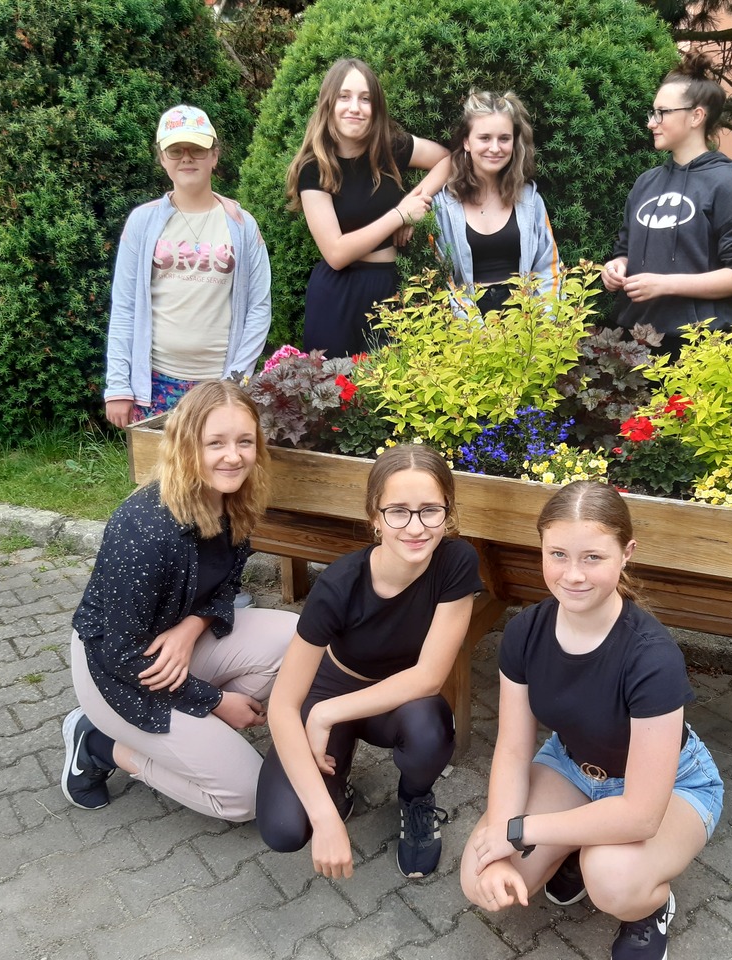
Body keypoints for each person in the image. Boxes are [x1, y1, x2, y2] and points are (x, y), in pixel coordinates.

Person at [460, 481, 723, 960]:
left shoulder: (651, 657)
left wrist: (519, 831)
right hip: (572, 766)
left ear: (626, 554)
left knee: (612, 879)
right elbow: (514, 748)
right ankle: (576, 847)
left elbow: (641, 815)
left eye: (593, 558)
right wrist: (499, 836)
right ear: (541, 549)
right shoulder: (524, 632)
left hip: (671, 787)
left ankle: (649, 908)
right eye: (558, 554)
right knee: (479, 879)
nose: (573, 575)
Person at [62, 381, 296, 820]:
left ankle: (197, 736)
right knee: (247, 800)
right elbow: (119, 653)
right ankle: (99, 743)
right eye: (216, 443)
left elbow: (227, 585)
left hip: (176, 645)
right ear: (187, 446)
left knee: (297, 641)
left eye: (245, 442)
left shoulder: (235, 500)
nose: (234, 456)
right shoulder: (145, 528)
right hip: (116, 671)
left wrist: (192, 628)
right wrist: (214, 701)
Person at [256, 444, 485, 879]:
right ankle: (337, 786)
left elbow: (428, 677)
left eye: (429, 510)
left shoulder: (456, 563)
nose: (415, 527)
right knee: (285, 828)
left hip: (398, 700)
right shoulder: (339, 584)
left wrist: (325, 715)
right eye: (398, 511)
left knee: (430, 728)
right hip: (334, 683)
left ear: (448, 513)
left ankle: (415, 798)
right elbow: (283, 705)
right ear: (374, 517)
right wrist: (325, 817)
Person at [104, 105, 272, 428]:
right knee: (158, 464)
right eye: (175, 150)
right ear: (162, 158)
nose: (186, 158)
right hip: (155, 385)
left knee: (219, 460)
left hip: (219, 384)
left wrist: (236, 380)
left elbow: (259, 308)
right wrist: (119, 386)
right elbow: (125, 307)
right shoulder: (142, 223)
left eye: (197, 149)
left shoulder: (242, 225)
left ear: (214, 156)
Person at [603, 51, 732, 362]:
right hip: (634, 339)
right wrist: (615, 268)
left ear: (696, 116)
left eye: (662, 112)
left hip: (696, 347)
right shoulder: (645, 183)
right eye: (653, 112)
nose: (651, 122)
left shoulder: (727, 184)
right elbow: (623, 250)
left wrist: (664, 284)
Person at [286, 59, 450, 357]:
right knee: (331, 385)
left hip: (389, 290)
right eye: (344, 97)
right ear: (329, 104)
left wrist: (415, 202)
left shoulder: (392, 148)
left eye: (365, 99)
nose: (355, 107)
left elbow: (447, 160)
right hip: (336, 297)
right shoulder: (314, 169)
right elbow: (336, 253)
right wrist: (399, 215)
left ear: (376, 107)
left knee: (392, 384)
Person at [433, 90, 559, 316]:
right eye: (484, 138)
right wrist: (475, 329)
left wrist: (543, 325)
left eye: (504, 138)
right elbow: (443, 282)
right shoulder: (443, 206)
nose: (495, 148)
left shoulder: (530, 201)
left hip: (526, 322)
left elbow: (548, 270)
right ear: (466, 142)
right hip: (465, 327)